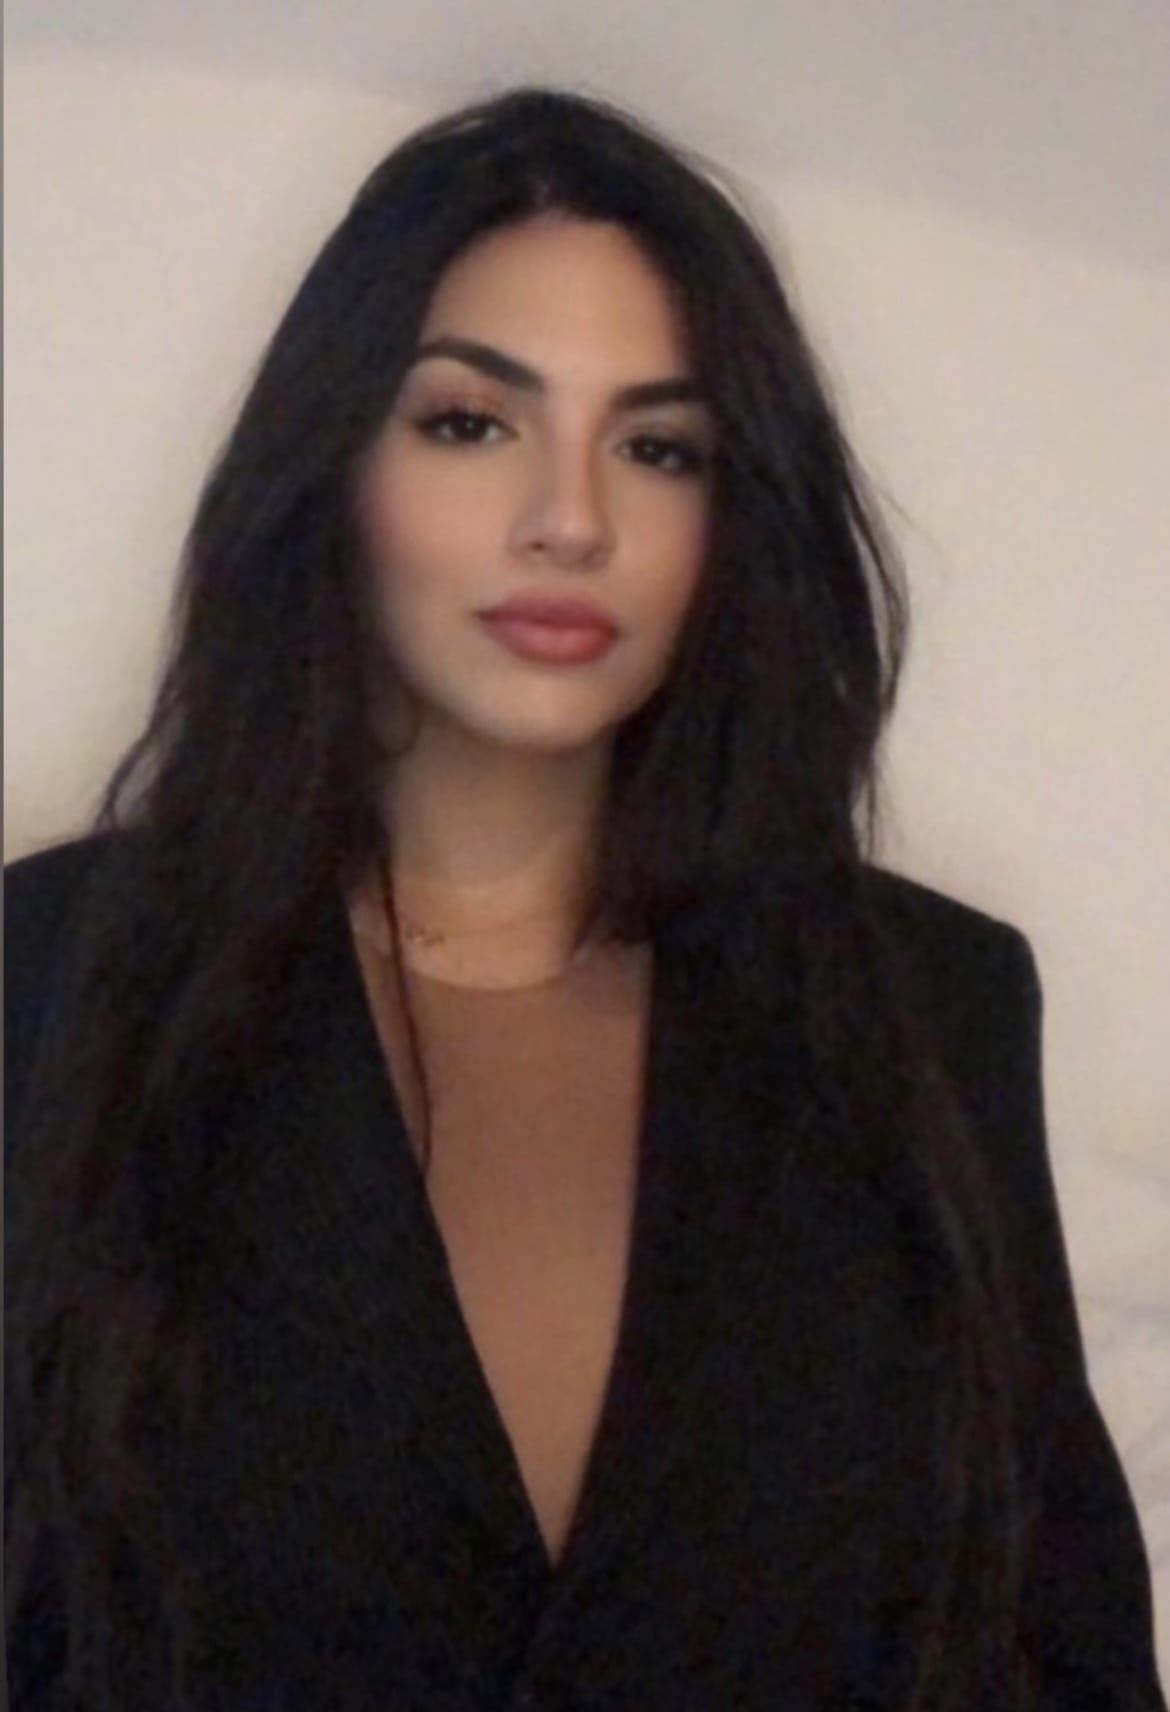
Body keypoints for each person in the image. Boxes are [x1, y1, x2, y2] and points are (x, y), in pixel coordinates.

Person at [4, 84, 1164, 1712]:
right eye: (470, 423)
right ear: (332, 466)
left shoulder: (928, 1008)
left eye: (657, 447)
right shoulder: (52, 980)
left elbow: (1054, 1650)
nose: (571, 519)